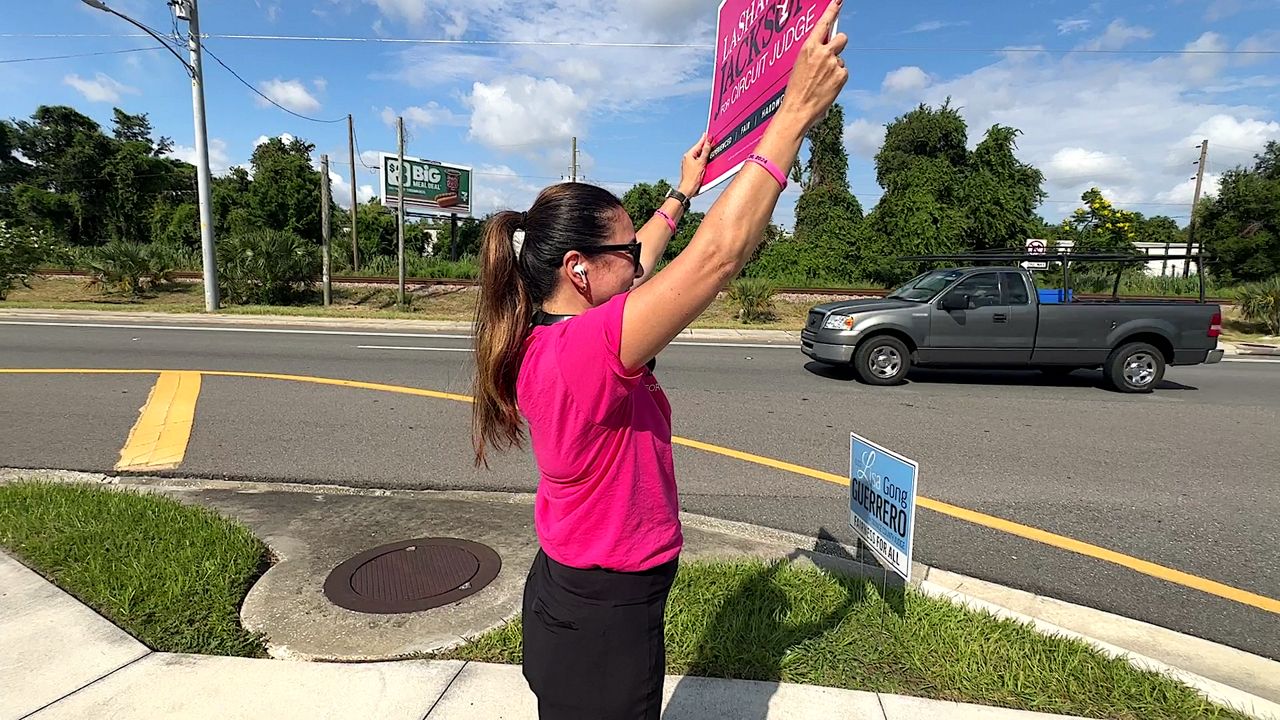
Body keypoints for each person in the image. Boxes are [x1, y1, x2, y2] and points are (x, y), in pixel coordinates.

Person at [470, 2, 848, 716]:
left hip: (576, 588)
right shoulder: (586, 350)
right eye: (619, 254)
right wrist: (792, 118)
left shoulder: (552, 331)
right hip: (602, 612)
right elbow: (718, 257)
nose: (638, 263)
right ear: (579, 269)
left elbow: (641, 254)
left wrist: (683, 190)